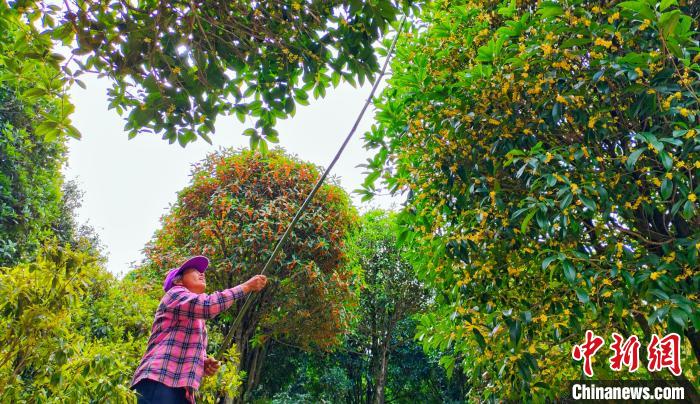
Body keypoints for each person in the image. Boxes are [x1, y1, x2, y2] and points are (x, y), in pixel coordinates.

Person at [131, 256, 267, 403]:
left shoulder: (197, 318)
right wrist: (246, 286)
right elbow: (208, 305)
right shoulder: (175, 294)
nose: (202, 273)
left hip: (181, 390)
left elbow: (183, 349)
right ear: (178, 281)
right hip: (159, 380)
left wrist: (203, 363)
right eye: (194, 271)